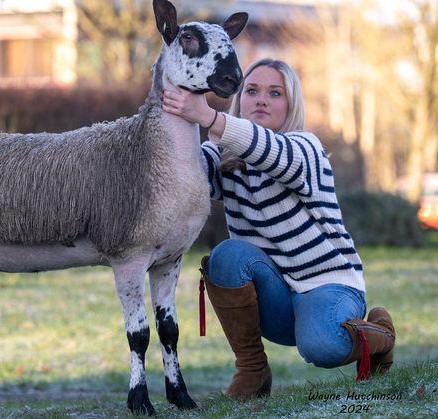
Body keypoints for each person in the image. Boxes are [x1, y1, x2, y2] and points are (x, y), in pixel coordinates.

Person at [161, 58, 396, 400]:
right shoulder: (225, 158)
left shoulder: (305, 149)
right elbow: (183, 171)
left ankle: (380, 335)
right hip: (276, 300)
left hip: (328, 287)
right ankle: (253, 371)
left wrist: (209, 117)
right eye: (252, 90)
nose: (261, 99)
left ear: (291, 105)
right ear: (239, 99)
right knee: (226, 255)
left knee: (324, 347)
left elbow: (271, 153)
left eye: (275, 93)